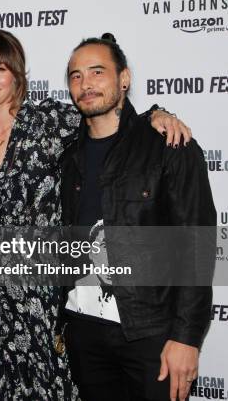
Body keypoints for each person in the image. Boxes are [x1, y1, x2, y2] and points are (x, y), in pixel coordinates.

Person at [0, 29, 191, 400]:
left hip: (50, 307)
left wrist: (158, 113)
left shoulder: (52, 122)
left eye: (0, 68)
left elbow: (108, 114)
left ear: (17, 74)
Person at [60, 33, 214, 401]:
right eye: (76, 76)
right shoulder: (68, 157)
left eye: (97, 72)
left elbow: (198, 245)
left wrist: (187, 337)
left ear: (124, 79)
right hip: (84, 333)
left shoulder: (168, 145)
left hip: (151, 336)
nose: (86, 84)